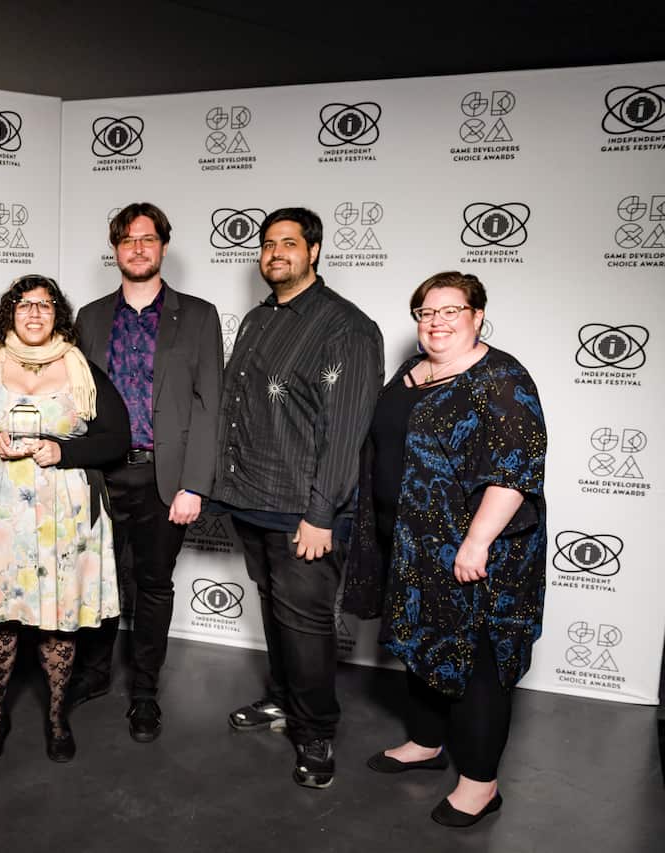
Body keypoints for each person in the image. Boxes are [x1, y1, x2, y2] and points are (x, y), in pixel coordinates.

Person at [343, 271, 546, 827]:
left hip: (474, 551)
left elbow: (516, 471)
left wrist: (476, 542)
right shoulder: (413, 373)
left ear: (477, 315)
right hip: (411, 545)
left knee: (478, 661)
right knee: (424, 642)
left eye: (450, 310)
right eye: (426, 312)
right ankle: (427, 744)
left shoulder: (500, 378)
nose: (436, 322)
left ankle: (481, 784)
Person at [212, 207, 383, 789]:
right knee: (275, 608)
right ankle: (282, 700)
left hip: (303, 509)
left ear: (313, 251)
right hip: (253, 498)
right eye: (267, 244)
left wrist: (321, 512)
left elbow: (346, 428)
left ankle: (316, 731)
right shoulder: (261, 318)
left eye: (288, 243)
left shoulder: (345, 327)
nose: (275, 253)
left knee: (307, 624)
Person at [0, 275, 130, 762]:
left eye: (45, 305)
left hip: (59, 515)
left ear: (57, 315)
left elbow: (116, 439)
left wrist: (61, 450)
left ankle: (56, 718)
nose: (35, 313)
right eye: (25, 305)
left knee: (57, 621)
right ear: (10, 312)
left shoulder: (80, 369)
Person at [70, 202, 223, 742]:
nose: (138, 247)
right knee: (96, 583)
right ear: (115, 249)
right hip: (100, 478)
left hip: (165, 478)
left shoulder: (199, 316)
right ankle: (90, 676)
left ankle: (144, 693)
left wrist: (195, 484)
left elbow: (211, 405)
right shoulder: (88, 317)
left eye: (148, 238)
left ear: (163, 246)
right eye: (128, 239)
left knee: (154, 585)